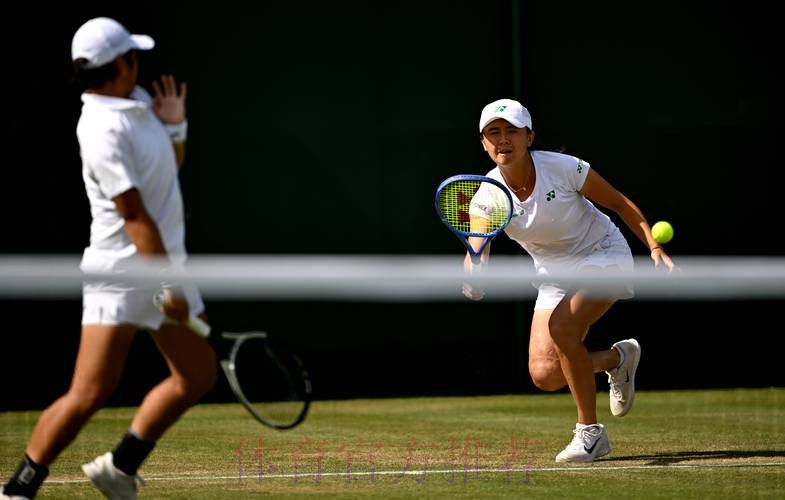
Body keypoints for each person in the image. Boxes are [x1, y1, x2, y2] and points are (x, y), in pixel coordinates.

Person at [1, 17, 216, 499]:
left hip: (164, 265)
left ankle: (119, 468)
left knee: (198, 375)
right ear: (120, 64)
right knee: (90, 393)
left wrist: (175, 126)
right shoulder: (99, 131)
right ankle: (19, 489)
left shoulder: (138, 102)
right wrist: (169, 287)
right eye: (133, 56)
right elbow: (136, 216)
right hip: (121, 275)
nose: (138, 64)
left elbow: (166, 176)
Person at [463, 98, 674, 463]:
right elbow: (477, 247)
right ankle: (617, 359)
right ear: (483, 143)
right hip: (553, 275)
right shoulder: (487, 197)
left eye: (511, 131)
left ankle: (590, 435)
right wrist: (474, 275)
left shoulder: (563, 169)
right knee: (544, 374)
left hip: (604, 254)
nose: (502, 140)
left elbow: (619, 203)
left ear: (529, 137)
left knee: (563, 329)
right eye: (493, 133)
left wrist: (653, 246)